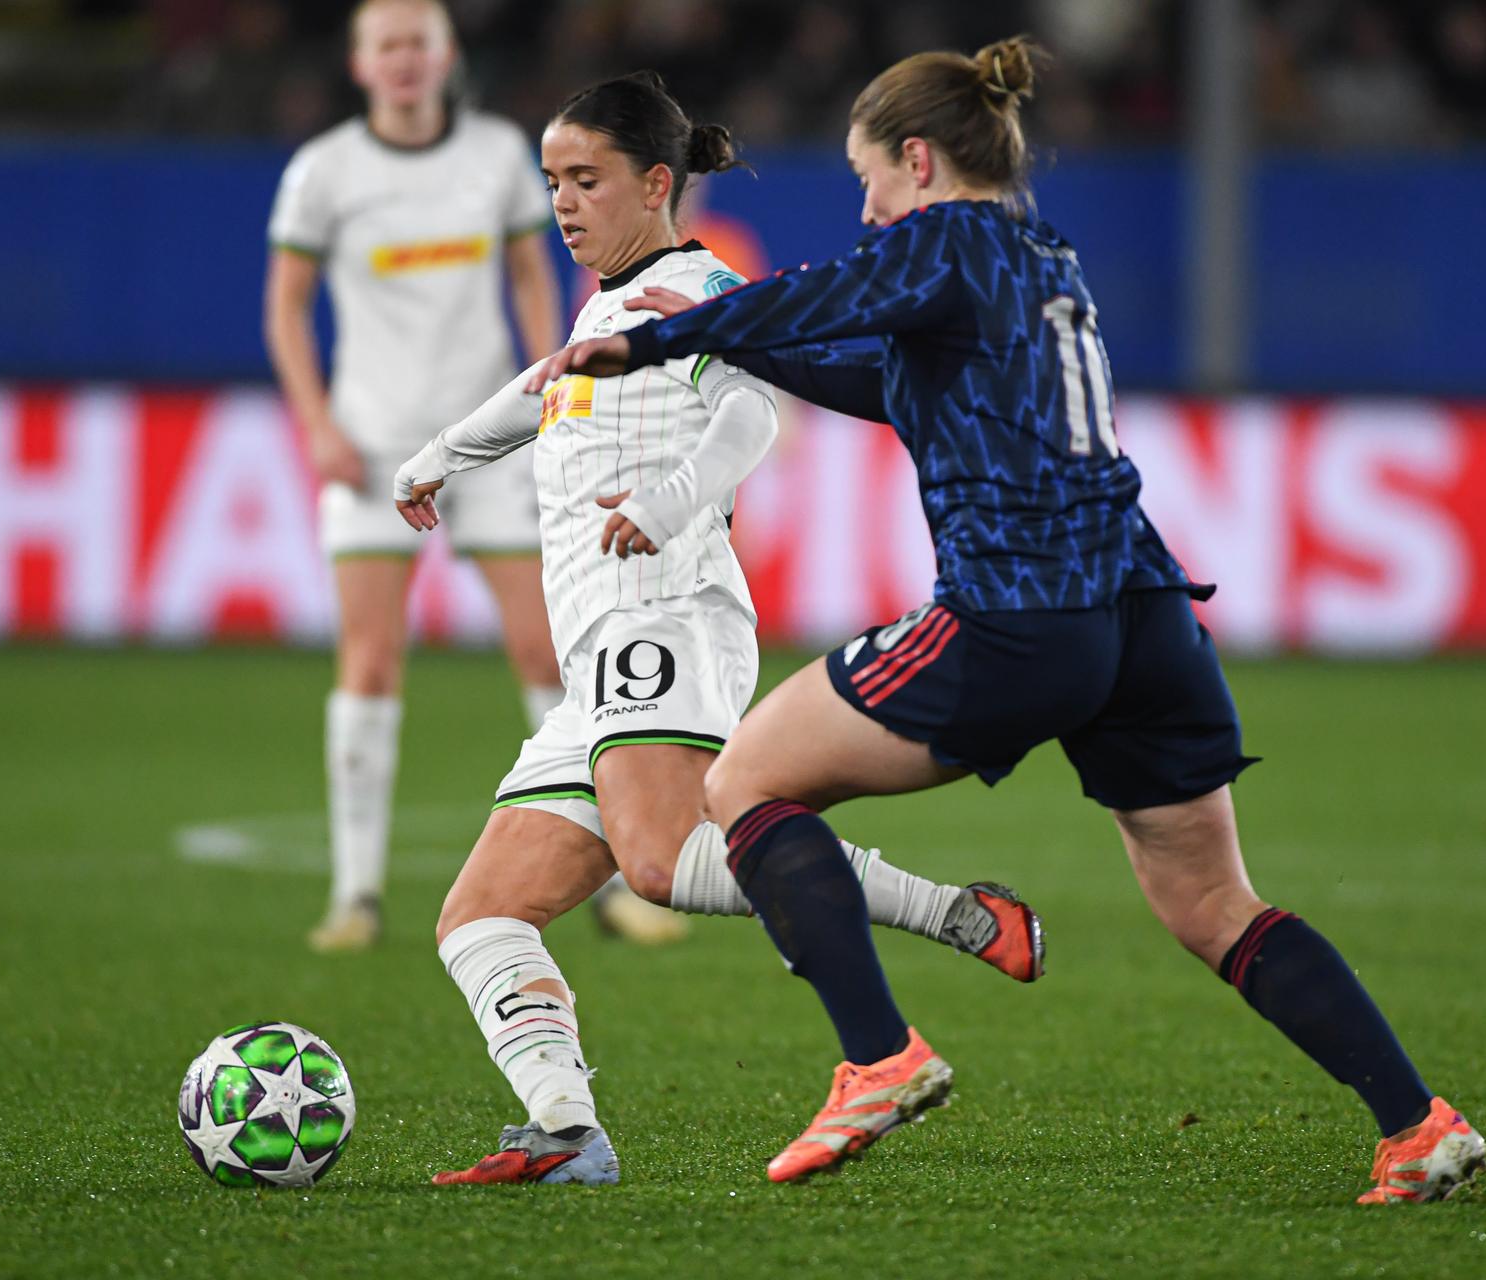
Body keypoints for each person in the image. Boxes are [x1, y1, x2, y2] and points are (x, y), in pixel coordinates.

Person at [527, 36, 1486, 1203]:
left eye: (870, 176)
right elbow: (891, 382)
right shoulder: (1043, 254)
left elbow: (813, 296)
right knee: (1209, 903)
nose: (868, 205)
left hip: (1023, 612)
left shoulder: (949, 237)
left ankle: (878, 1057)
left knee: (746, 783)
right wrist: (722, 349)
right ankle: (1416, 1121)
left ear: (920, 161)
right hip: (1146, 617)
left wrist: (649, 332)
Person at [391, 70, 1045, 1188]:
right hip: (599, 656)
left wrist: (671, 499)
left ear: (657, 183)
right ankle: (564, 1129)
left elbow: (752, 410)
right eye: (552, 181)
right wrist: (446, 453)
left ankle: (952, 913)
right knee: (481, 914)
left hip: (669, 615)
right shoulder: (607, 304)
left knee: (656, 862)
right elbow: (543, 384)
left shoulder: (700, 287)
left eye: (586, 179)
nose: (564, 202)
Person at [265, 0, 674, 951]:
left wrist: (550, 386)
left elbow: (535, 276)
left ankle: (609, 883)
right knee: (369, 660)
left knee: (548, 654)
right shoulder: (324, 171)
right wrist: (318, 423)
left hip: (487, 440)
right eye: (386, 45)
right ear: (361, 63)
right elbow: (284, 310)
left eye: (419, 43)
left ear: (446, 56)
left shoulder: (498, 156)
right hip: (370, 442)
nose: (405, 60)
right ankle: (355, 895)